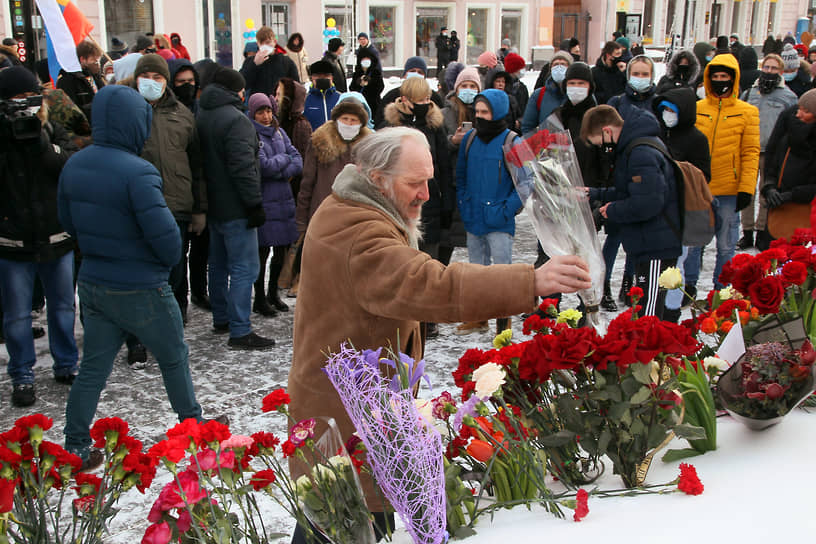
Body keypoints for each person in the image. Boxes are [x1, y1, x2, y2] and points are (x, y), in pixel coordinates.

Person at [287, 126, 592, 542]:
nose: (426, 194)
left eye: (428, 180)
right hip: (344, 419)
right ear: (378, 179)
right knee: (339, 527)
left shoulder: (358, 206)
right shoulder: (358, 231)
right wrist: (530, 282)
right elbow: (431, 285)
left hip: (362, 410)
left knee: (353, 523)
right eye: (415, 183)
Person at [58, 84, 222, 472]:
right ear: (136, 122)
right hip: (141, 286)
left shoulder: (74, 164)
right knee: (173, 358)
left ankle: (75, 443)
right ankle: (194, 427)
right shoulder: (138, 171)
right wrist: (162, 265)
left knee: (93, 369)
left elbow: (67, 222)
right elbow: (166, 237)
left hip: (94, 283)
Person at [0, 66, 78, 407]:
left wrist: (42, 142)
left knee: (62, 306)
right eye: (15, 99)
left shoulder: (53, 129)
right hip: (11, 238)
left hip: (56, 234)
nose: (23, 104)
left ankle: (66, 363)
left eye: (28, 97)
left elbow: (69, 167)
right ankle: (22, 375)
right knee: (16, 313)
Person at [197, 68, 276, 349]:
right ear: (238, 91)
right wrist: (253, 203)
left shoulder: (203, 112)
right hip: (237, 206)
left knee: (218, 263)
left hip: (213, 204)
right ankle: (240, 329)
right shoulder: (236, 120)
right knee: (245, 267)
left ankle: (222, 317)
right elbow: (244, 168)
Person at [582, 105, 681, 319]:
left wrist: (612, 211)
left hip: (657, 245)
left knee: (651, 312)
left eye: (600, 143)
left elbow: (649, 202)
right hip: (647, 241)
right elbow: (629, 190)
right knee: (646, 306)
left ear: (607, 131)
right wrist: (597, 193)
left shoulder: (640, 153)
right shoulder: (632, 149)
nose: (602, 149)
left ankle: (654, 351)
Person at [132, 54, 205, 324]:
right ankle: (141, 326)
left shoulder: (182, 114)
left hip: (177, 205)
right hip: (138, 206)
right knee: (142, 268)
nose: (151, 83)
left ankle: (176, 315)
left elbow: (197, 165)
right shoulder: (127, 110)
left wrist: (199, 209)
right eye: (146, 77)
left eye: (157, 78)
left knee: (176, 266)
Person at [686, 53, 760, 295]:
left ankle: (722, 290)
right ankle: (688, 286)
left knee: (727, 246)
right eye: (715, 76)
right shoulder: (696, 109)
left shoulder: (747, 112)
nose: (720, 81)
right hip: (699, 189)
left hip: (729, 189)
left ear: (733, 78)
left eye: (724, 76)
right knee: (694, 243)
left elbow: (750, 153)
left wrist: (747, 188)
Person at [546, 63, 612, 309]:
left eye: (581, 84)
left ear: (590, 87)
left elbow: (607, 159)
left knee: (584, 256)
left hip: (587, 197)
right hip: (558, 196)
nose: (576, 89)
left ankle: (588, 305)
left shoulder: (599, 117)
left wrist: (599, 195)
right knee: (554, 253)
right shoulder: (558, 115)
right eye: (571, 84)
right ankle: (550, 305)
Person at [455, 89, 520, 335]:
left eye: (486, 112)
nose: (480, 116)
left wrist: (507, 210)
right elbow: (460, 175)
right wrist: (464, 202)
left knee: (502, 274)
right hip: (474, 217)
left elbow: (526, 183)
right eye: (478, 111)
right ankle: (479, 318)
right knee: (476, 272)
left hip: (499, 220)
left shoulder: (513, 141)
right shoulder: (470, 139)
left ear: (498, 112)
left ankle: (503, 324)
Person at [652, 88, 712, 320]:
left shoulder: (697, 139)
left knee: (676, 263)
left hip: (682, 209)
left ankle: (671, 310)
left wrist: (677, 171)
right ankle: (655, 306)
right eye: (664, 109)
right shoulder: (657, 133)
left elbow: (704, 175)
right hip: (658, 208)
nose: (667, 114)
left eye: (672, 110)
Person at [247, 93, 302, 315]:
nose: (266, 115)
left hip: (284, 200)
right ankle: (259, 298)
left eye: (269, 110)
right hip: (265, 201)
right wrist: (284, 161)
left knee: (281, 252)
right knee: (261, 253)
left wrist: (282, 166)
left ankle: (272, 294)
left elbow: (298, 160)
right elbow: (264, 166)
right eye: (261, 111)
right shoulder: (252, 135)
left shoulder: (280, 133)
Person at [737, 53, 798, 250]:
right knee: (747, 191)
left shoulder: (788, 96)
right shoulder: (749, 93)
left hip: (771, 152)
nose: (769, 71)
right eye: (766, 67)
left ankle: (762, 232)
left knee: (766, 192)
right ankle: (746, 232)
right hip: (749, 148)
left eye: (773, 68)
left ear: (780, 72)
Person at [296, 98, 372, 237]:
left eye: (353, 120)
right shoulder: (319, 142)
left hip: (358, 219)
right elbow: (307, 184)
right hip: (323, 215)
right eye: (345, 118)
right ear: (336, 119)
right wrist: (302, 222)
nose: (349, 124)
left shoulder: (370, 147)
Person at [760, 89, 816, 240]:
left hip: (809, 213)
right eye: (799, 109)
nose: (798, 115)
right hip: (781, 211)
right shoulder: (788, 132)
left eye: (806, 111)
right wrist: (769, 187)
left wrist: (791, 195)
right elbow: (773, 161)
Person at [374, 57, 445, 127]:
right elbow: (379, 123)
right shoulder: (391, 96)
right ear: (405, 74)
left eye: (420, 72)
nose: (416, 74)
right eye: (412, 71)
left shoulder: (434, 97)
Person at [240, 26, 300, 96]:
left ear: (274, 42)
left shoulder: (286, 62)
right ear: (258, 44)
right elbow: (242, 84)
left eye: (268, 42)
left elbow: (296, 86)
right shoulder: (250, 61)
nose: (265, 46)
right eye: (261, 43)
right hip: (259, 104)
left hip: (279, 103)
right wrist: (254, 64)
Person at [521, 51, 572, 133]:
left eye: (563, 64)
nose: (559, 67)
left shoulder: (578, 93)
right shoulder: (539, 95)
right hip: (545, 144)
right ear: (550, 68)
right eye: (555, 64)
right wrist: (536, 144)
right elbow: (527, 127)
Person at [57, 40, 105, 123]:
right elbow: (71, 109)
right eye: (93, 60)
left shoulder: (96, 77)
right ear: (82, 59)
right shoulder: (67, 80)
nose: (97, 63)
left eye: (98, 60)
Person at [303, 60, 341, 130]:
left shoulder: (341, 98)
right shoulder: (304, 99)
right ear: (312, 78)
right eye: (318, 76)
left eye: (326, 76)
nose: (322, 78)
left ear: (332, 78)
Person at [350, 47, 384, 115]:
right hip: (360, 105)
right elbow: (351, 88)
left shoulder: (375, 72)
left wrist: (370, 82)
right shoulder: (357, 73)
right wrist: (358, 83)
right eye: (363, 59)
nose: (366, 60)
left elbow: (380, 87)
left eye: (367, 59)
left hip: (373, 105)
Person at [592, 41, 626, 106]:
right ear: (608, 55)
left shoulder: (621, 71)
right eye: (617, 54)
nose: (620, 56)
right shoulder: (595, 72)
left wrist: (623, 73)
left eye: (621, 54)